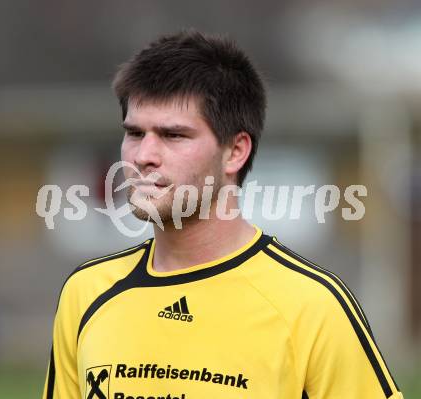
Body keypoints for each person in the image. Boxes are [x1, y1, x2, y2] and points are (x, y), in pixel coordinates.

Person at [42, 30, 403, 399]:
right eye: (135, 133)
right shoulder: (86, 293)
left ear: (235, 152)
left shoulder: (313, 306)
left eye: (173, 135)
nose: (143, 155)